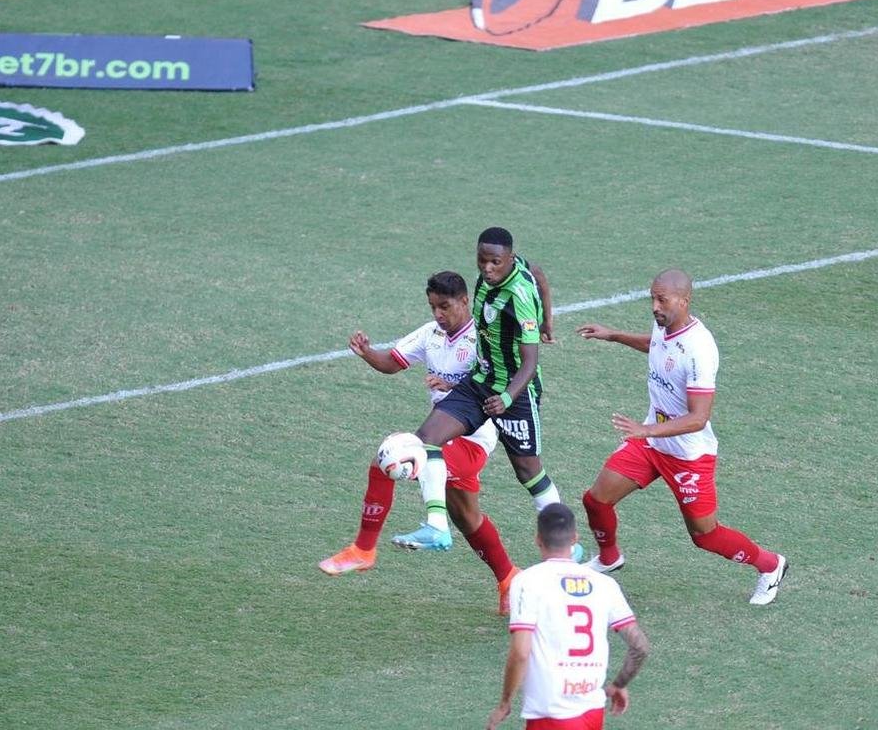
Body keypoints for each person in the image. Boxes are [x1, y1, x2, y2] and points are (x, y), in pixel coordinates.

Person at [576, 269, 789, 606]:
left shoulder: (700, 349)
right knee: (596, 499)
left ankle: (771, 565)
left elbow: (698, 417)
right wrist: (613, 335)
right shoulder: (665, 326)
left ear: (684, 301)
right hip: (651, 444)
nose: (654, 306)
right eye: (652, 298)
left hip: (688, 455)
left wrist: (646, 430)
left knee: (705, 536)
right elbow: (656, 346)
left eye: (662, 299)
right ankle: (609, 557)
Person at [318, 271, 521, 615]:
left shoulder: (481, 340)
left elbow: (498, 383)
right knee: (468, 518)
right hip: (442, 441)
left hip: (473, 441)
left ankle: (365, 549)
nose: (438, 314)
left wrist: (454, 387)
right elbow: (392, 362)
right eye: (433, 307)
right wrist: (368, 353)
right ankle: (510, 581)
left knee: (388, 458)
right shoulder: (431, 335)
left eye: (445, 307)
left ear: (463, 301)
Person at [393, 227, 581, 562]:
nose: (488, 269)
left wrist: (507, 399)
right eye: (482, 261)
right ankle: (437, 526)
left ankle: (572, 545)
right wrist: (548, 320)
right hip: (481, 380)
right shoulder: (507, 268)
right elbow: (537, 270)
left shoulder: (518, 297)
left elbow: (530, 362)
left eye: (495, 262)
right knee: (426, 439)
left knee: (529, 471)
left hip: (516, 394)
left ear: (508, 259)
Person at [487, 503, 649, 730]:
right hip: (592, 712)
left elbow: (521, 652)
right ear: (574, 538)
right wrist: (619, 684)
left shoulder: (527, 581)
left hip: (551, 713)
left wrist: (505, 703)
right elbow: (639, 646)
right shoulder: (604, 584)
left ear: (537, 539)